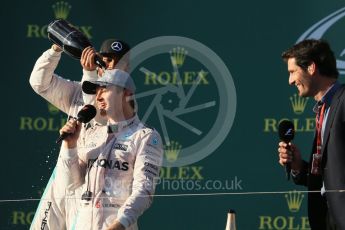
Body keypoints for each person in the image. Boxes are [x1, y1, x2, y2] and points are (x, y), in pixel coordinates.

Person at [29, 39, 130, 230]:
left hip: (89, 192)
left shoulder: (125, 102)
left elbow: (97, 114)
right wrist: (57, 48)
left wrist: (89, 73)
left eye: (118, 63)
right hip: (62, 180)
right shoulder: (77, 91)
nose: (111, 66)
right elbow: (39, 83)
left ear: (127, 69)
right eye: (107, 60)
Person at [56, 69, 163, 230]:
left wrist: (119, 225)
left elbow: (144, 190)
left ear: (125, 93)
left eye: (104, 89)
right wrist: (69, 146)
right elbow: (71, 185)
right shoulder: (91, 132)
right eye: (96, 91)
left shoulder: (145, 136)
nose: (98, 97)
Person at [277, 39, 345, 229]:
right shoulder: (324, 109)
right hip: (327, 220)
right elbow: (334, 175)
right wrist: (299, 166)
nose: (290, 81)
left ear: (311, 67)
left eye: (292, 72)